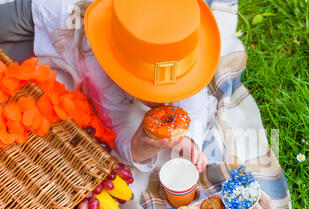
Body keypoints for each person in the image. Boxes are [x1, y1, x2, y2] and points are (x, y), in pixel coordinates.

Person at [0, 0, 221, 173]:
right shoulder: (103, 70)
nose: (161, 100)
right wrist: (132, 145)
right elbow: (115, 127)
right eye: (147, 89)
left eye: (174, 88)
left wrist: (189, 139)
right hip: (44, 11)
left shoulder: (182, 42)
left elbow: (195, 97)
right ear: (121, 70)